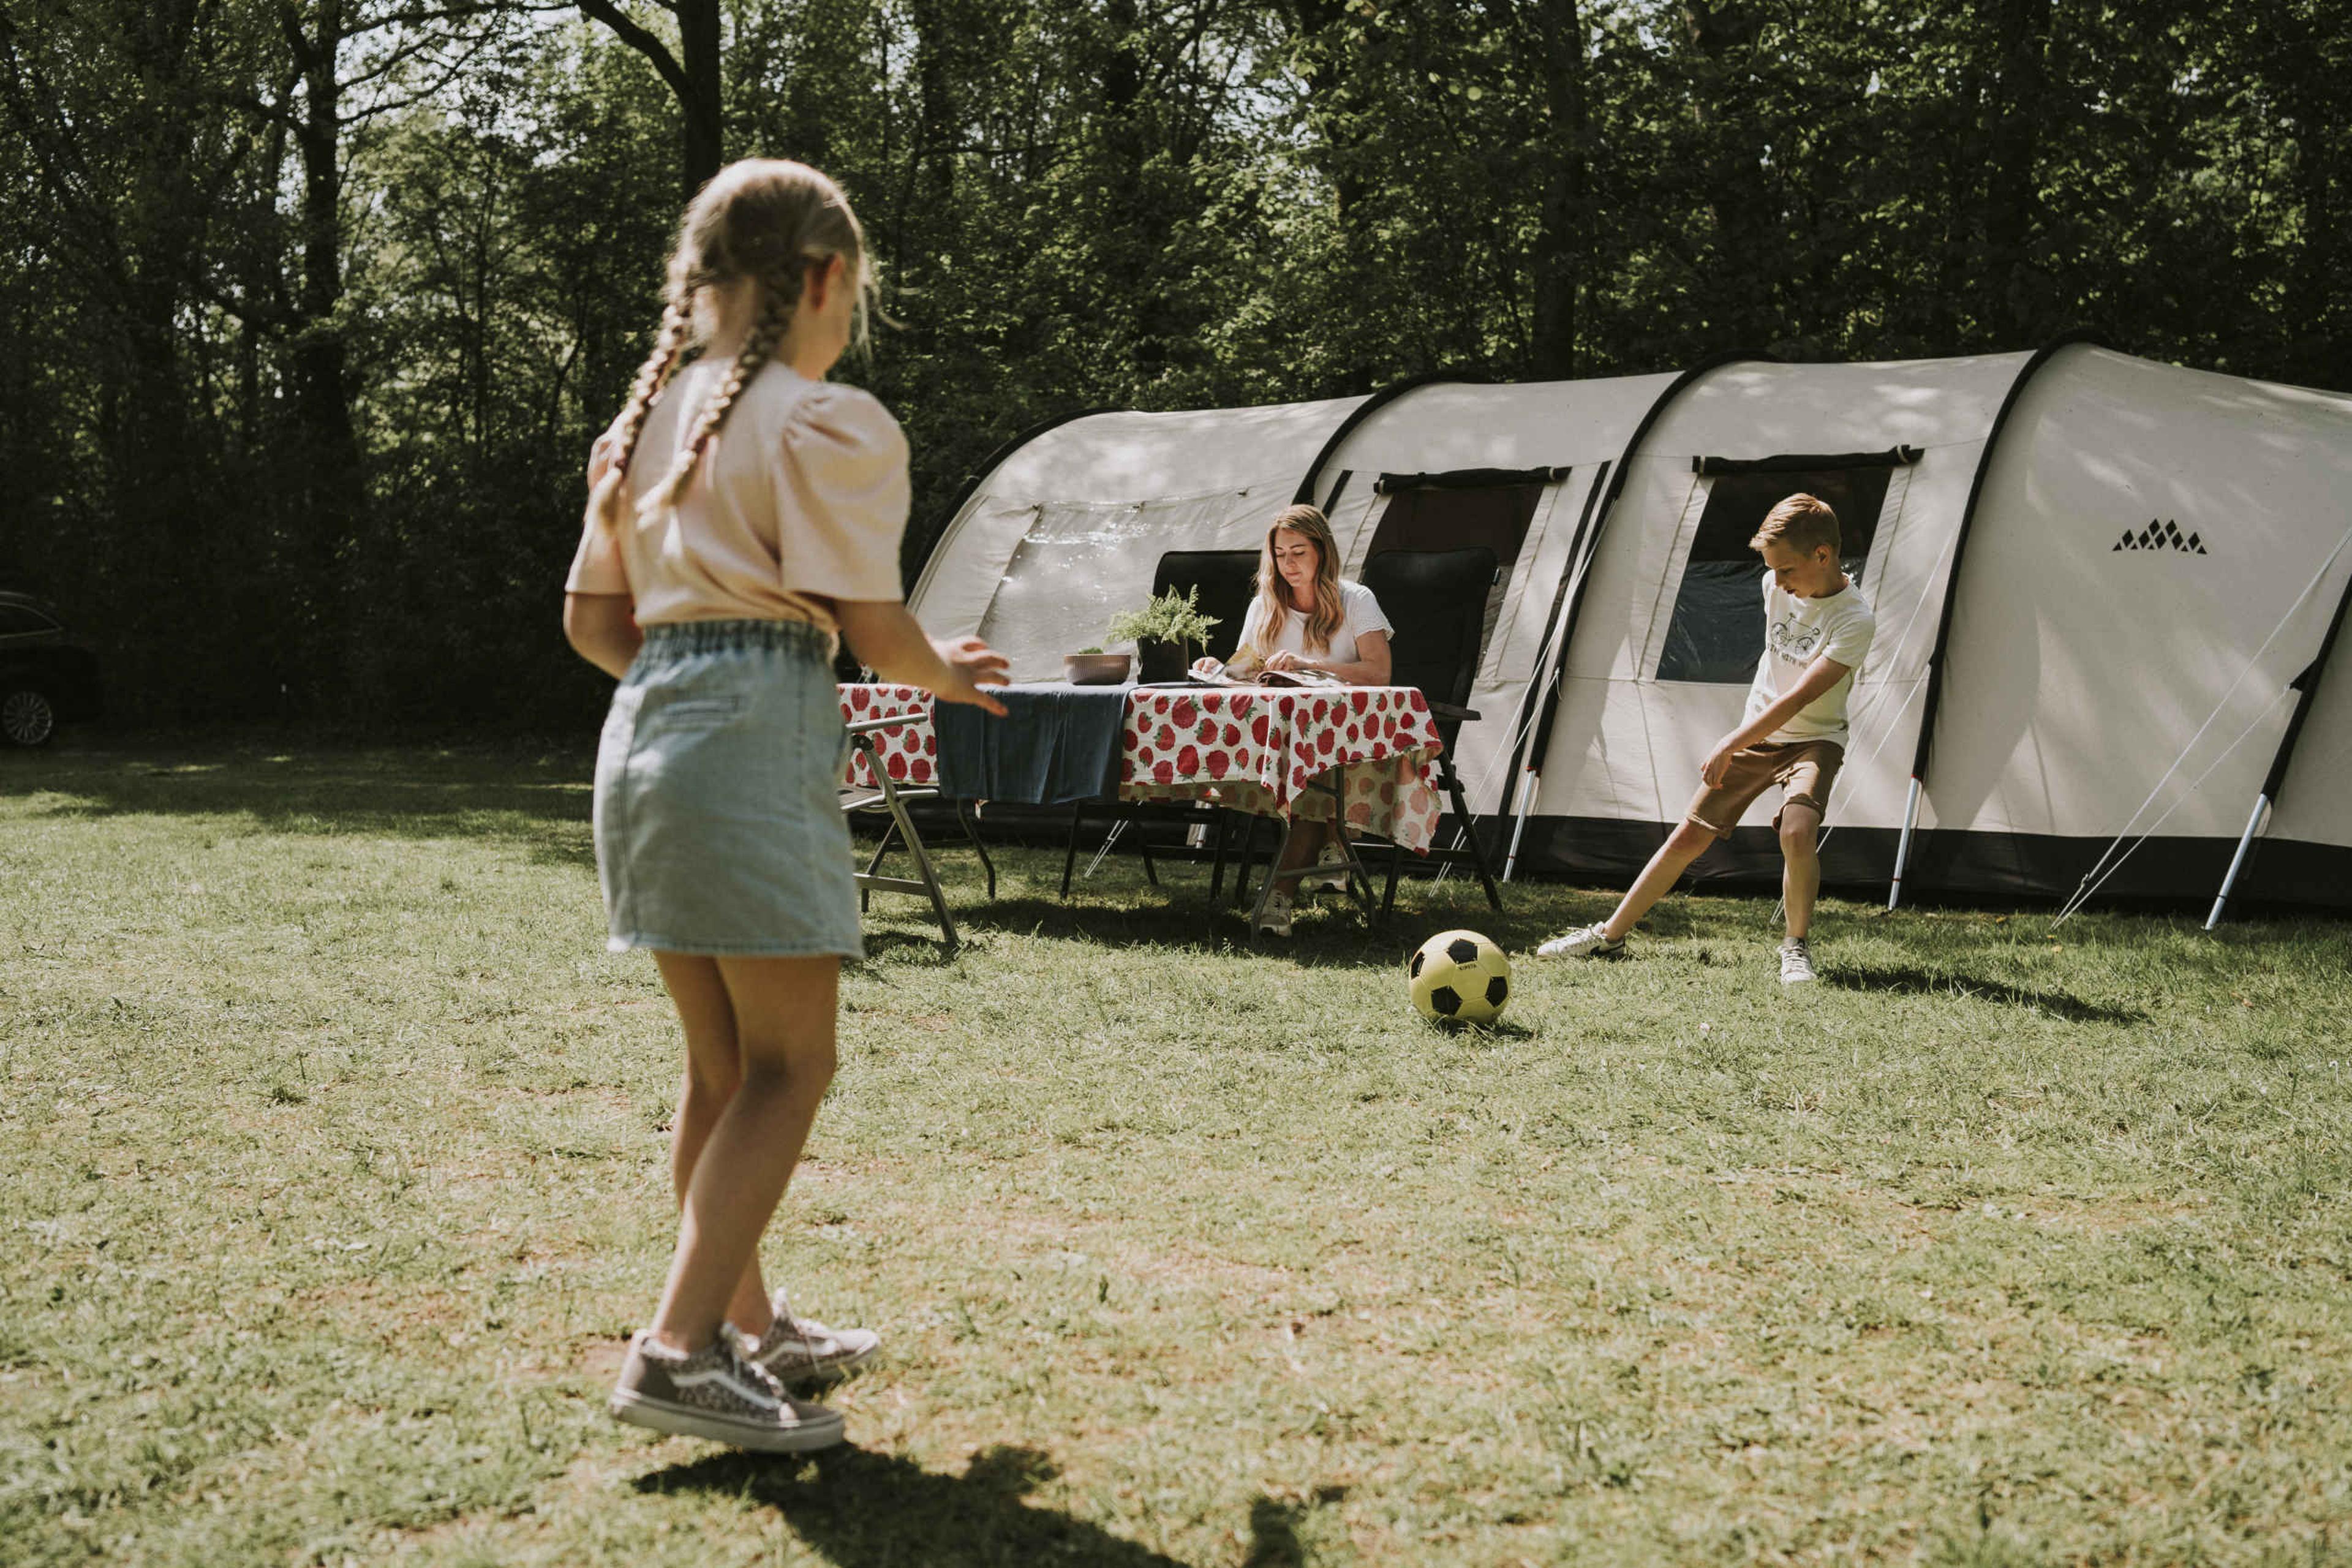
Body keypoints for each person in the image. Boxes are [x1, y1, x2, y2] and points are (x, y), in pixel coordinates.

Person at [562, 159, 1008, 1452]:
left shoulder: (646, 422)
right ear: (821, 278)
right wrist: (946, 674)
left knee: (722, 1065)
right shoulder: (822, 421)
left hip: (641, 737)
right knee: (792, 1064)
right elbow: (871, 626)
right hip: (749, 744)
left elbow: (595, 624)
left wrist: (688, 679)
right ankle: (681, 1346)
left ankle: (755, 1329)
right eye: (850, 292)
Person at [1537, 492, 1874, 984]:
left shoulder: (1854, 620)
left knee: (1797, 831)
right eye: (1773, 571)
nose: (1776, 581)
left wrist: (1729, 742)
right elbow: (1774, 674)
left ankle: (1795, 947)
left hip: (1814, 740)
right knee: (1690, 835)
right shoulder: (1772, 587)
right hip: (1758, 733)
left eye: (1787, 570)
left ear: (1823, 556)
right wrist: (1743, 742)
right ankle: (1608, 935)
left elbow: (1800, 698)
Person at [1191, 503, 1392, 936]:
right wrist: (1218, 670)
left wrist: (1310, 667)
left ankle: (1278, 899)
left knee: (1314, 786)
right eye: (1281, 555)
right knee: (1313, 780)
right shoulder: (1265, 606)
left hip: (1347, 737)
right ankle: (1334, 845)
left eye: (1299, 552)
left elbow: (1379, 673)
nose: (1289, 565)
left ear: (1322, 551)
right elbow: (1246, 672)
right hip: (1277, 740)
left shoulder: (1355, 600)